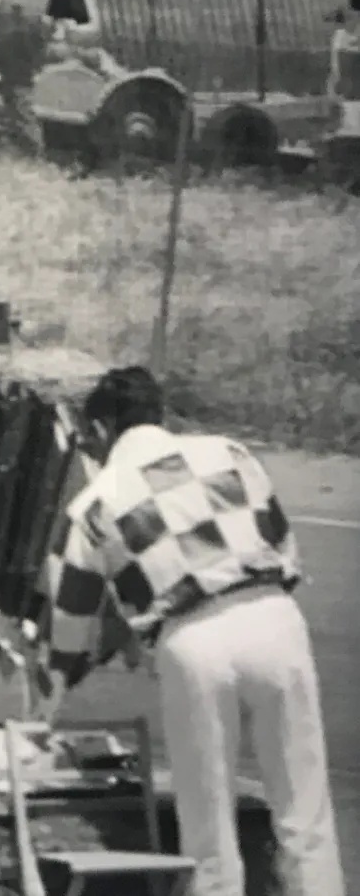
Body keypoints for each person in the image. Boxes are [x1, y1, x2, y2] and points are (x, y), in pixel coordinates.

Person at [39, 366, 344, 896]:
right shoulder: (231, 452)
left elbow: (70, 618)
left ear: (104, 428)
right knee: (304, 808)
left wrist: (59, 678)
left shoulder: (94, 501)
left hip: (192, 638)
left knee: (207, 823)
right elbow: (281, 542)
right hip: (274, 615)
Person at [0, 1, 50, 156]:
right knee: (26, 117)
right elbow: (38, 59)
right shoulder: (29, 38)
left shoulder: (3, 40)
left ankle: (33, 149)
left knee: (17, 117)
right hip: (23, 81)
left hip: (8, 82)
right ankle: (35, 150)